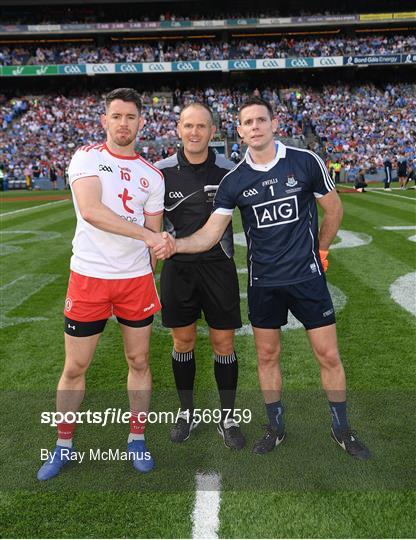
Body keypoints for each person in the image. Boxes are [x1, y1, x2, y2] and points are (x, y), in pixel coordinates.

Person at [155, 97, 370, 460]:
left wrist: (321, 250)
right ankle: (275, 427)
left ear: (273, 123)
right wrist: (174, 245)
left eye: (260, 120)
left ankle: (342, 429)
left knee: (328, 355)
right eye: (247, 122)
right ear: (238, 131)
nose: (254, 126)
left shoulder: (305, 161)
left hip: (306, 279)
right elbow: (210, 235)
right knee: (267, 357)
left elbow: (333, 210)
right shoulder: (234, 179)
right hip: (264, 284)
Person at [37, 88, 168, 481]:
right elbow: (92, 211)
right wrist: (147, 237)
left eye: (130, 117)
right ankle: (63, 445)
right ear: (104, 121)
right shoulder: (87, 157)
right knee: (75, 366)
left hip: (135, 282)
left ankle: (137, 437)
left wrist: (151, 257)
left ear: (141, 122)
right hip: (90, 278)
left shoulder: (152, 175)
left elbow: (155, 236)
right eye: (116, 116)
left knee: (139, 361)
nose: (123, 123)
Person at [154, 103, 245, 450]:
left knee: (224, 344)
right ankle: (187, 412)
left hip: (219, 267)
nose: (194, 133)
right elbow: (150, 225)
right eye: (188, 126)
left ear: (212, 131)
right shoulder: (159, 172)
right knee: (183, 342)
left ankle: (228, 417)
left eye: (201, 126)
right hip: (178, 271)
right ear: (178, 129)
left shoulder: (229, 170)